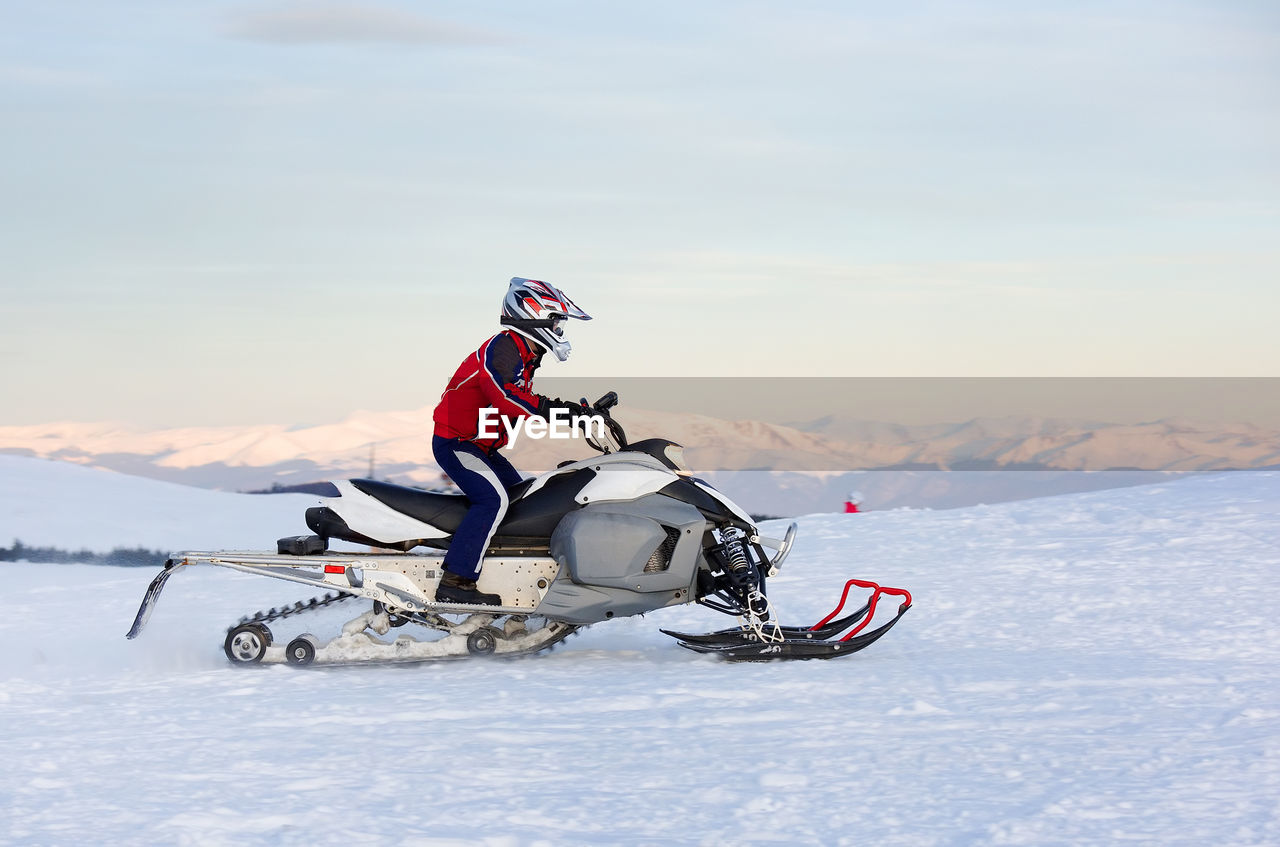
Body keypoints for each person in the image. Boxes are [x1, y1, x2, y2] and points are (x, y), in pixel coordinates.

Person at [431, 277, 592, 605]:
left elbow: (523, 401)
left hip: (482, 448)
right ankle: (456, 580)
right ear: (534, 317)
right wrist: (557, 412)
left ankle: (503, 572)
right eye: (556, 323)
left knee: (522, 502)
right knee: (493, 501)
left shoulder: (522, 354)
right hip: (457, 444)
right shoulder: (502, 349)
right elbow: (506, 397)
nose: (560, 331)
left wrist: (573, 413)